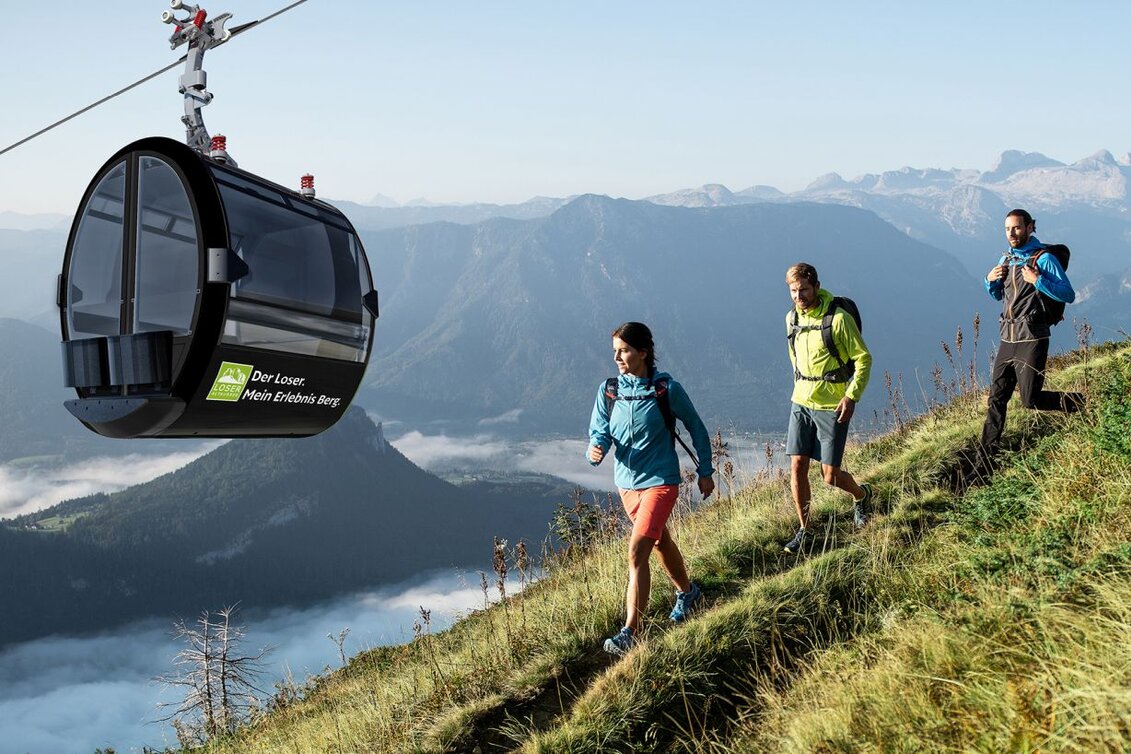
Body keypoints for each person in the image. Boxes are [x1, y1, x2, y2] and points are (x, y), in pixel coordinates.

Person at [588, 322, 715, 656]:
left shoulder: (666, 389)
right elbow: (598, 430)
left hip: (661, 481)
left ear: (643, 352)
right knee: (660, 540)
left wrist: (705, 471)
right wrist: (596, 448)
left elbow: (697, 429)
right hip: (627, 485)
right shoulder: (609, 390)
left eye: (624, 350)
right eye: (615, 350)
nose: (617, 356)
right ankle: (688, 593)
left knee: (637, 551)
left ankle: (631, 631)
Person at [975, 209, 1081, 472]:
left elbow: (1068, 294)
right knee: (996, 399)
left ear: (1031, 227)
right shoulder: (1007, 259)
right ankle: (984, 463)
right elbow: (1000, 298)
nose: (1012, 233)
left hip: (1032, 337)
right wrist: (989, 282)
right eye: (1008, 229)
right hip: (1007, 337)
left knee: (1030, 400)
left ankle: (1079, 403)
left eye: (1017, 228)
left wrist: (1038, 280)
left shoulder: (1043, 260)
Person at [782, 263, 873, 554]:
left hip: (833, 405)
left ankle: (861, 495)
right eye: (794, 291)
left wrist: (851, 396)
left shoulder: (839, 320)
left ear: (817, 286)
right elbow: (794, 357)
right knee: (797, 466)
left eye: (804, 290)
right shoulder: (791, 319)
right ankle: (806, 530)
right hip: (801, 401)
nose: (799, 296)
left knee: (830, 475)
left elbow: (863, 359)